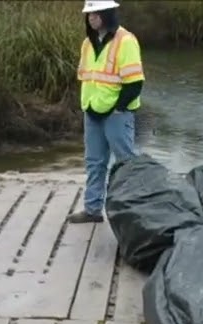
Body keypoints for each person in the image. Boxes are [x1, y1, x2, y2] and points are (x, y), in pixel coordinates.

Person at [67, 0, 145, 224]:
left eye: (96, 13)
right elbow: (87, 77)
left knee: (125, 163)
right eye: (89, 14)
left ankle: (134, 210)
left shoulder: (126, 41)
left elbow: (135, 82)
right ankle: (92, 210)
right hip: (92, 111)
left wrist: (120, 108)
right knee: (94, 162)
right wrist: (87, 105)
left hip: (116, 114)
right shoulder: (87, 43)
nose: (91, 18)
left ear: (108, 14)